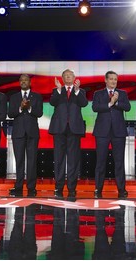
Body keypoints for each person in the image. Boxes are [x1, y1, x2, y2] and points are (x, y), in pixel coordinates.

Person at [48, 69, 88, 197]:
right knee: (59, 159)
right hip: (59, 128)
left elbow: (84, 103)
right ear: (62, 78)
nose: (68, 77)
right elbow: (52, 102)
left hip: (74, 129)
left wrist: (76, 91)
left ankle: (72, 187)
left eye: (70, 75)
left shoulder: (80, 91)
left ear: (74, 77)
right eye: (65, 76)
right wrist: (59, 90)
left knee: (73, 159)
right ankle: (58, 186)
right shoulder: (57, 91)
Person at [92, 70, 131, 198]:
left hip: (118, 132)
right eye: (111, 79)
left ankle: (121, 189)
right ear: (106, 80)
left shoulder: (122, 94)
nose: (113, 81)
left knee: (119, 162)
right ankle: (98, 188)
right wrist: (110, 103)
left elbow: (127, 107)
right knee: (100, 162)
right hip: (102, 132)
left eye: (115, 79)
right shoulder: (98, 94)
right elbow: (95, 107)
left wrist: (117, 102)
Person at [8, 74, 43, 197]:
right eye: (21, 80)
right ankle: (18, 186)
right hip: (18, 133)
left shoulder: (37, 96)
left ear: (29, 82)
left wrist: (28, 108)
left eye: (26, 80)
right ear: (19, 82)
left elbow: (39, 113)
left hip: (32, 133)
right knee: (19, 161)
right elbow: (11, 113)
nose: (23, 82)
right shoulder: (14, 97)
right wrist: (20, 108)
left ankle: (31, 187)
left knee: (32, 161)